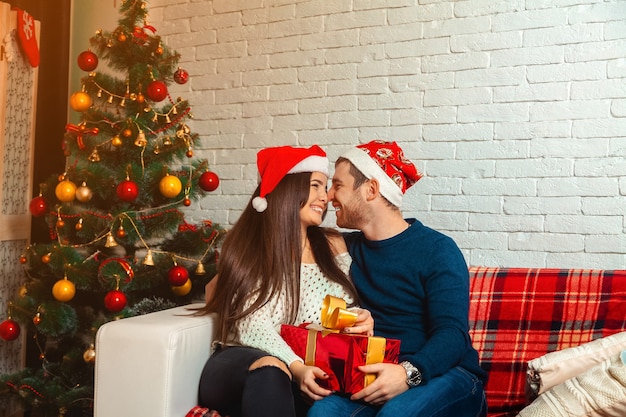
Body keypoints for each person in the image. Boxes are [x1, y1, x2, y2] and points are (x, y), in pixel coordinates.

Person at [308, 140, 488, 417]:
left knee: (397, 414)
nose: (329, 195)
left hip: (448, 375)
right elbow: (288, 235)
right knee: (321, 414)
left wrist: (406, 374)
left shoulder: (437, 249)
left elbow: (453, 334)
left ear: (371, 189)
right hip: (375, 378)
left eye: (338, 185)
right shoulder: (348, 248)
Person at [196, 145, 373, 417]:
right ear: (288, 188)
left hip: (300, 371)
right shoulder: (250, 247)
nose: (324, 197)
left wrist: (359, 319)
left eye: (325, 187)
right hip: (241, 362)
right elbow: (252, 325)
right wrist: (296, 365)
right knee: (271, 369)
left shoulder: (332, 244)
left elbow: (339, 310)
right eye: (315, 185)